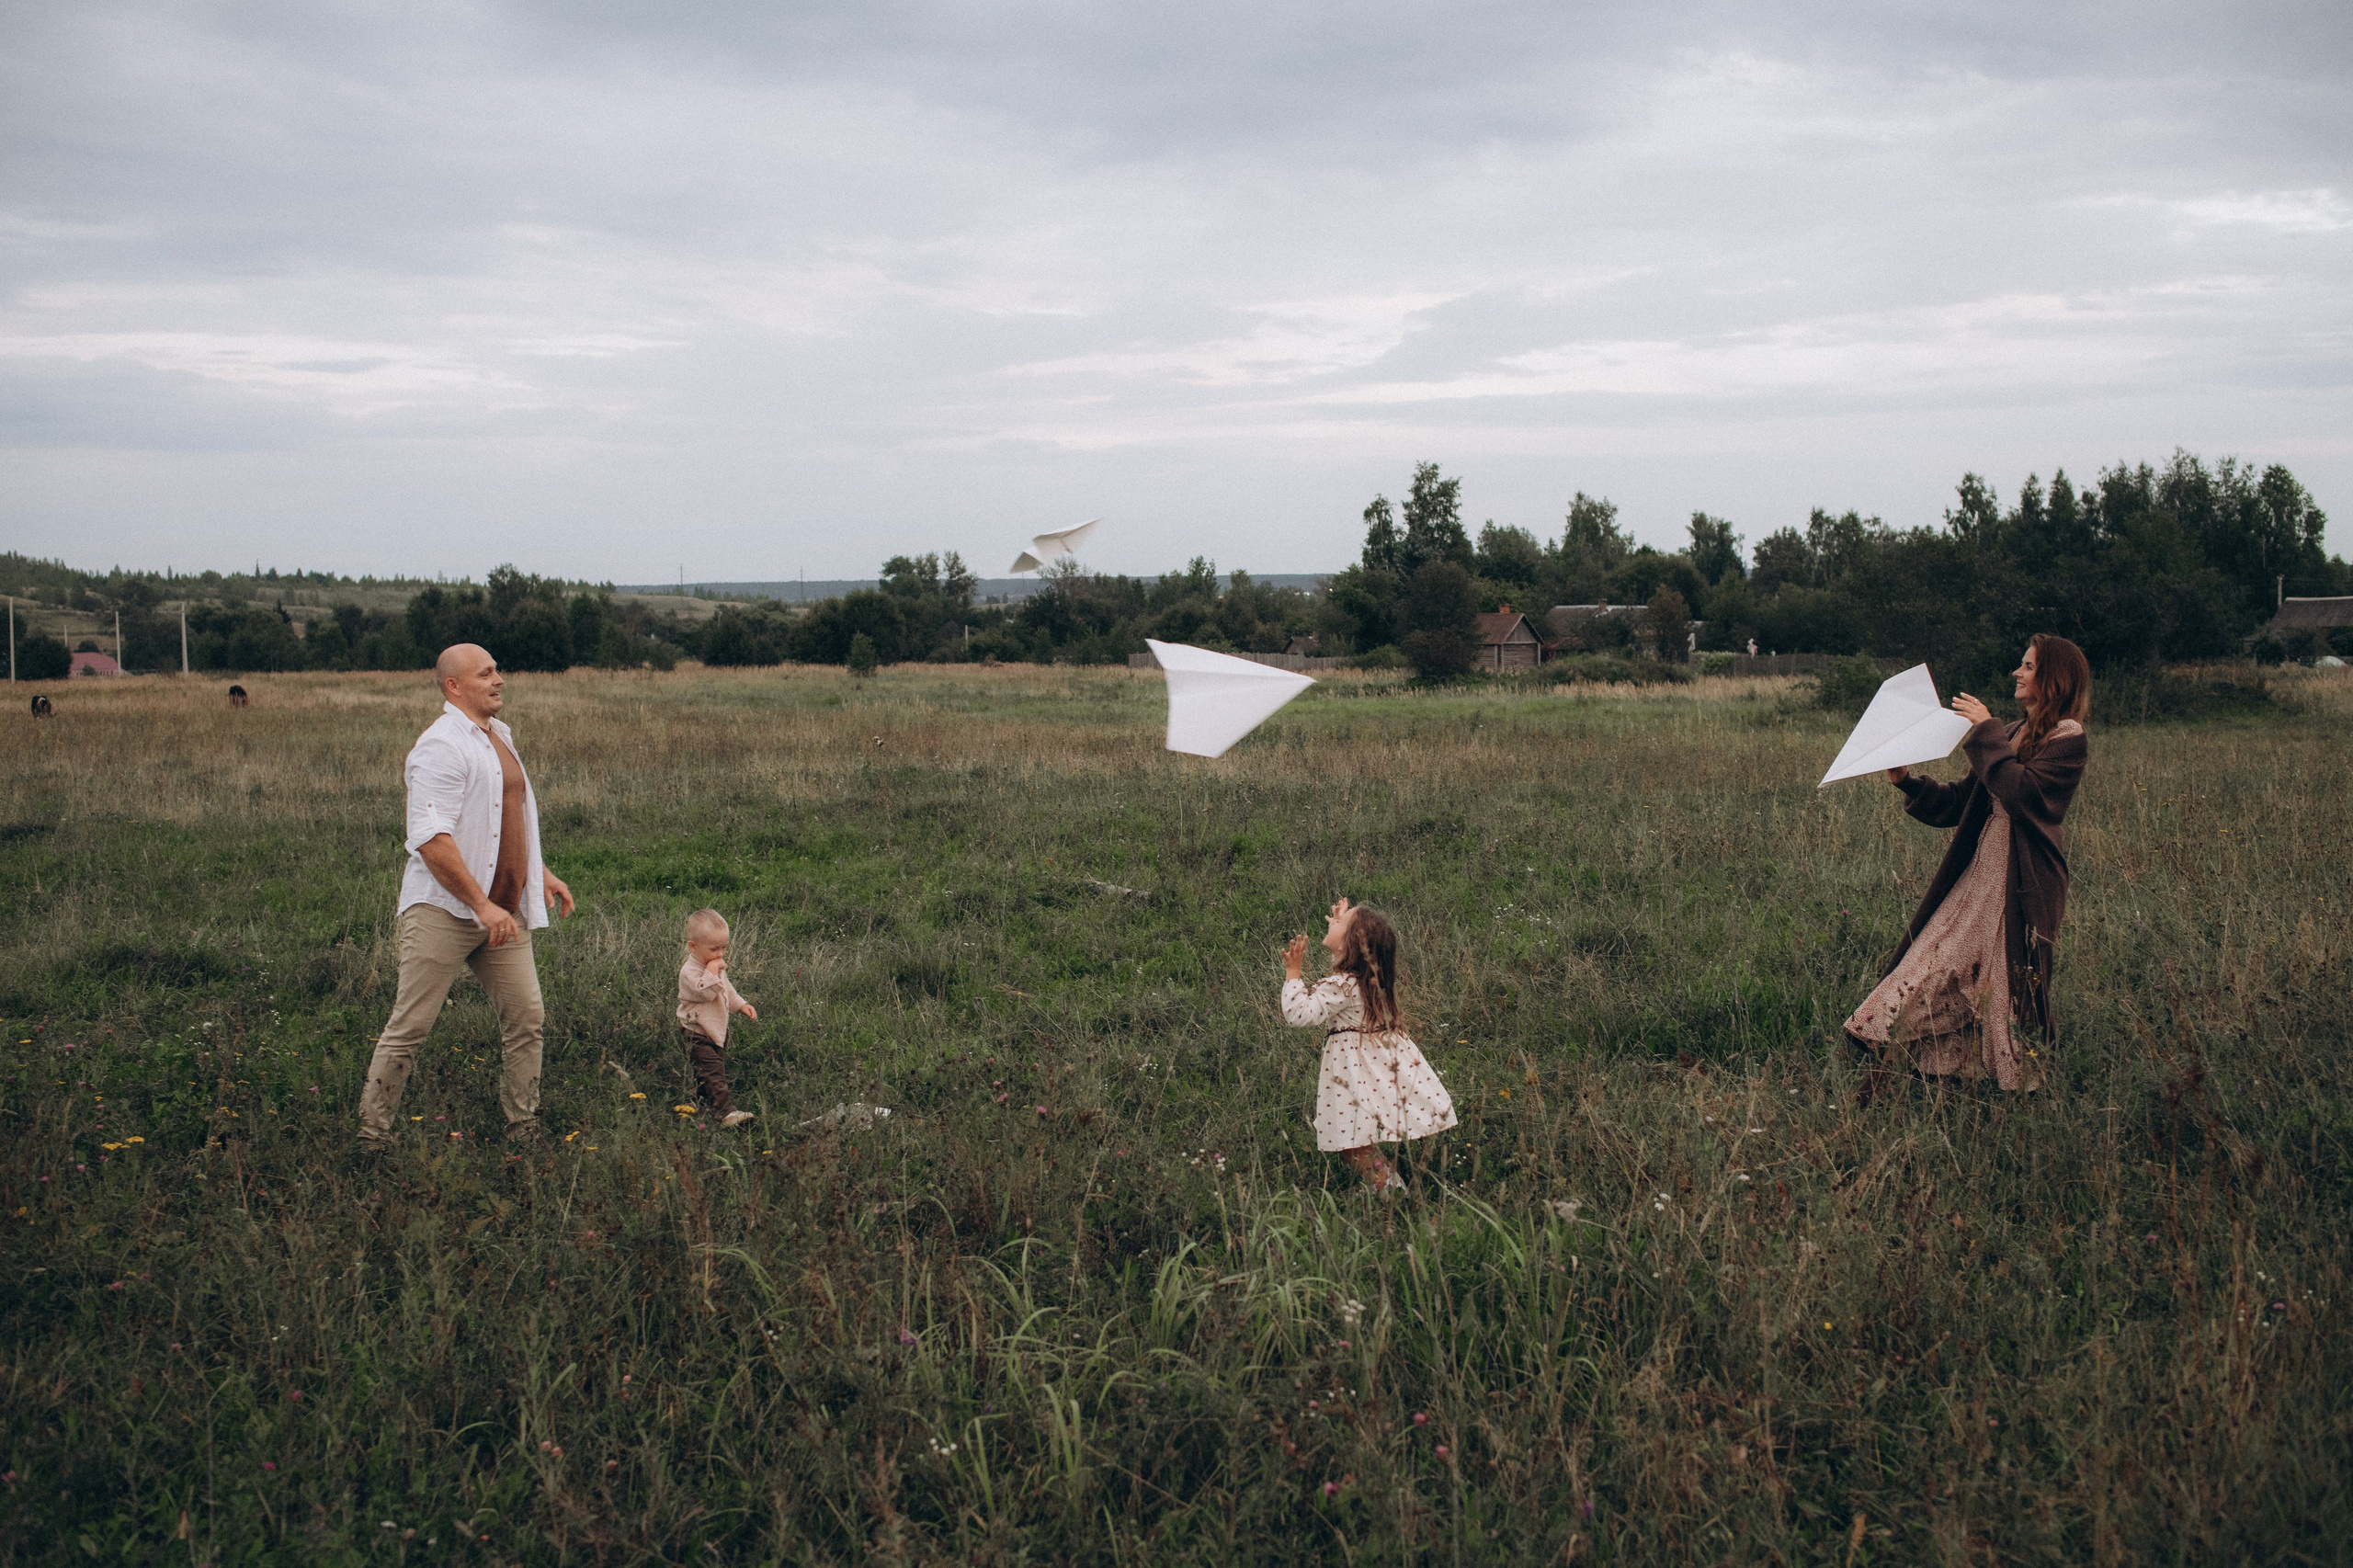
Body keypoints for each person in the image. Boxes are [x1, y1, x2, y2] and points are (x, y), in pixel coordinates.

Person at [1846, 634, 2090, 1094]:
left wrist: (1985, 730)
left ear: (2054, 677)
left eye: (2029, 666)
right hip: (1980, 875)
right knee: (1934, 963)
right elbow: (1963, 800)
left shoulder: (2068, 738)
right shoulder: (2014, 734)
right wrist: (1907, 783)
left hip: (2023, 882)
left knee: (2005, 981)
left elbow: (2021, 794)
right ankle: (1921, 1064)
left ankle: (2017, 1085)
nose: (2017, 672)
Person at [356, 644, 574, 1154]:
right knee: (410, 1026)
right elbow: (431, 839)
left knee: (527, 1017)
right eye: (486, 673)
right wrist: (481, 905)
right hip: (445, 912)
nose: (500, 679)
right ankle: (371, 1138)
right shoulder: (439, 747)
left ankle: (522, 1129)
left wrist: (536, 871)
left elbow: (502, 818)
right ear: (454, 686)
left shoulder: (498, 736)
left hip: (501, 912)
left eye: (498, 669)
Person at [1281, 898, 1456, 1189]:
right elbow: (1342, 966)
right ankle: (1390, 1187)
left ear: (1350, 944)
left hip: (1353, 1074)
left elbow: (1300, 1014)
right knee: (1352, 1144)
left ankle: (1391, 1189)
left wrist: (1293, 973)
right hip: (1364, 1069)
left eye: (1340, 922)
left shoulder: (1342, 985)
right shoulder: (1361, 982)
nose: (1332, 920)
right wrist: (1341, 923)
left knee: (1351, 1145)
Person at [677, 908, 759, 1127]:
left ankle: (698, 1106)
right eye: (714, 949)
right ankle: (726, 1113)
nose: (720, 954)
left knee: (707, 1075)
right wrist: (713, 971)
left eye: (723, 948)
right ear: (693, 946)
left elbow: (726, 990)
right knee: (714, 1074)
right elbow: (706, 992)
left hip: (715, 1031)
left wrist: (741, 1005)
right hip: (696, 1032)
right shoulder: (690, 972)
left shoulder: (714, 967)